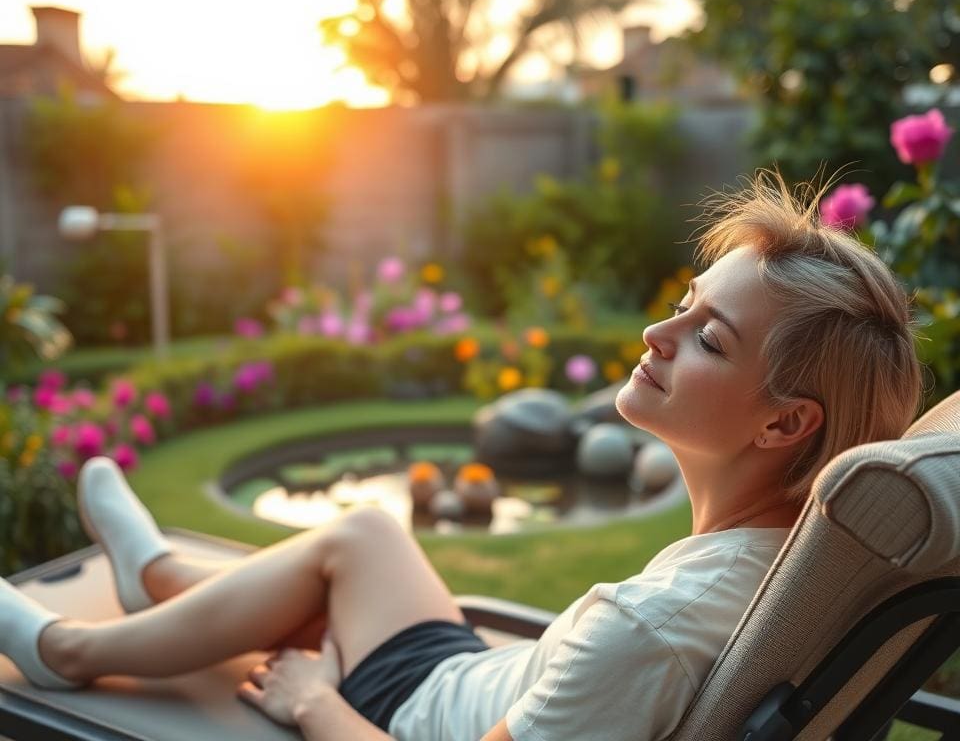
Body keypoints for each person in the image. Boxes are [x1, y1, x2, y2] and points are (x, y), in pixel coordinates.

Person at [0, 170, 924, 741]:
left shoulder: (644, 630)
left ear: (783, 426)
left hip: (410, 707)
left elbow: (613, 663)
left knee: (347, 552)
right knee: (364, 536)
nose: (657, 332)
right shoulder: (778, 563)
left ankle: (67, 649)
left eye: (709, 339)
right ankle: (157, 577)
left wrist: (315, 701)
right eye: (684, 304)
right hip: (478, 678)